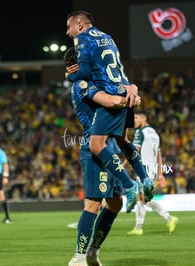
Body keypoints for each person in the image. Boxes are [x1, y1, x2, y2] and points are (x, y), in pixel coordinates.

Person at [66, 11, 155, 206]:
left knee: (96, 145)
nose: (68, 32)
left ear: (80, 25)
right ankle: (146, 178)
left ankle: (129, 185)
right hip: (124, 89)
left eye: (69, 27)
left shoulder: (81, 39)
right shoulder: (107, 37)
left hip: (110, 93)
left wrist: (70, 76)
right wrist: (130, 87)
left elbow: (86, 72)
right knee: (123, 140)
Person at [64, 46, 141, 266]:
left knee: (115, 203)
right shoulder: (82, 85)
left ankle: (93, 252)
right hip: (94, 150)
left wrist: (131, 89)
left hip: (109, 149)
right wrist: (129, 99)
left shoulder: (97, 81)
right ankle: (77, 257)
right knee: (94, 204)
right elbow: (108, 102)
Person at [127, 113, 179, 235]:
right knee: (145, 198)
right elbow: (159, 155)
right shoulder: (155, 134)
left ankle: (141, 227)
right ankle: (167, 219)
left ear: (144, 119)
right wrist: (160, 173)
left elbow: (134, 151)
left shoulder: (140, 132)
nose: (134, 120)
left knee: (142, 197)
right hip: (152, 169)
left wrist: (122, 164)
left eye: (136, 118)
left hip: (143, 168)